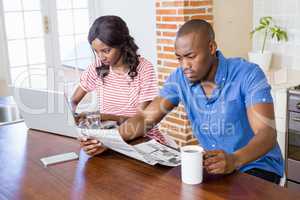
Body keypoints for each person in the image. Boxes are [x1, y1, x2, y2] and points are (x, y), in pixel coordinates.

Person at [115, 19, 283, 184]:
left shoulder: (248, 74)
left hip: (256, 166)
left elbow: (266, 134)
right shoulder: (179, 78)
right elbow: (146, 118)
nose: (184, 65)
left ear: (211, 47)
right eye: (179, 58)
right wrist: (109, 139)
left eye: (191, 56)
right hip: (217, 167)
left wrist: (235, 159)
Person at [71, 15, 172, 156]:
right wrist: (74, 121)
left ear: (122, 44)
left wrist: (101, 116)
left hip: (139, 140)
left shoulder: (143, 68)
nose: (101, 57)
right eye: (96, 51)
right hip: (109, 138)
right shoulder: (98, 68)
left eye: (106, 51)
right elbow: (73, 101)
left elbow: (140, 120)